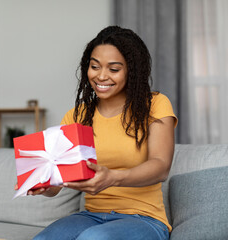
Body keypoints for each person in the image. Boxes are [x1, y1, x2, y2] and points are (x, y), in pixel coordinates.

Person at [27, 26, 177, 240]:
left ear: (131, 71)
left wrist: (113, 178)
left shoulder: (155, 104)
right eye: (95, 66)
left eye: (114, 69)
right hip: (91, 216)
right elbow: (57, 183)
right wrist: (42, 184)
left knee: (93, 238)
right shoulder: (77, 115)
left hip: (144, 219)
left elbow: (161, 166)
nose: (101, 76)